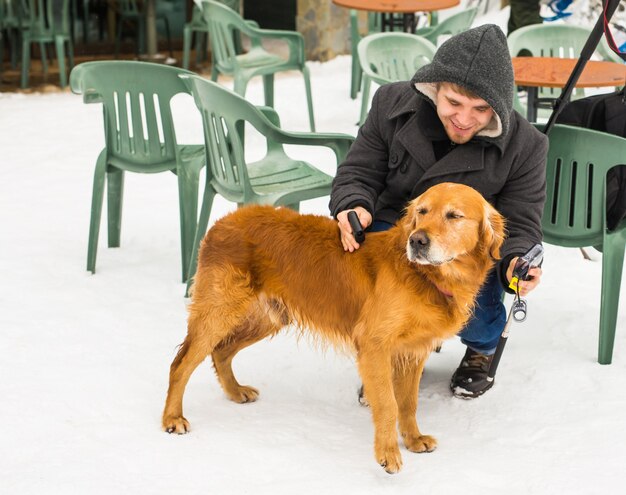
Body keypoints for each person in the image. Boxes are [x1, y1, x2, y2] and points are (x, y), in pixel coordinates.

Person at [329, 24, 548, 399]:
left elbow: (521, 220)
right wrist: (354, 204)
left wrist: (518, 261)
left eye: (481, 109)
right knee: (382, 287)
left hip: (466, 243)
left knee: (476, 316)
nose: (464, 119)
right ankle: (394, 347)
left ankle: (481, 349)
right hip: (398, 223)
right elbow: (360, 170)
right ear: (435, 89)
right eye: (454, 103)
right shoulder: (390, 104)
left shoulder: (526, 146)